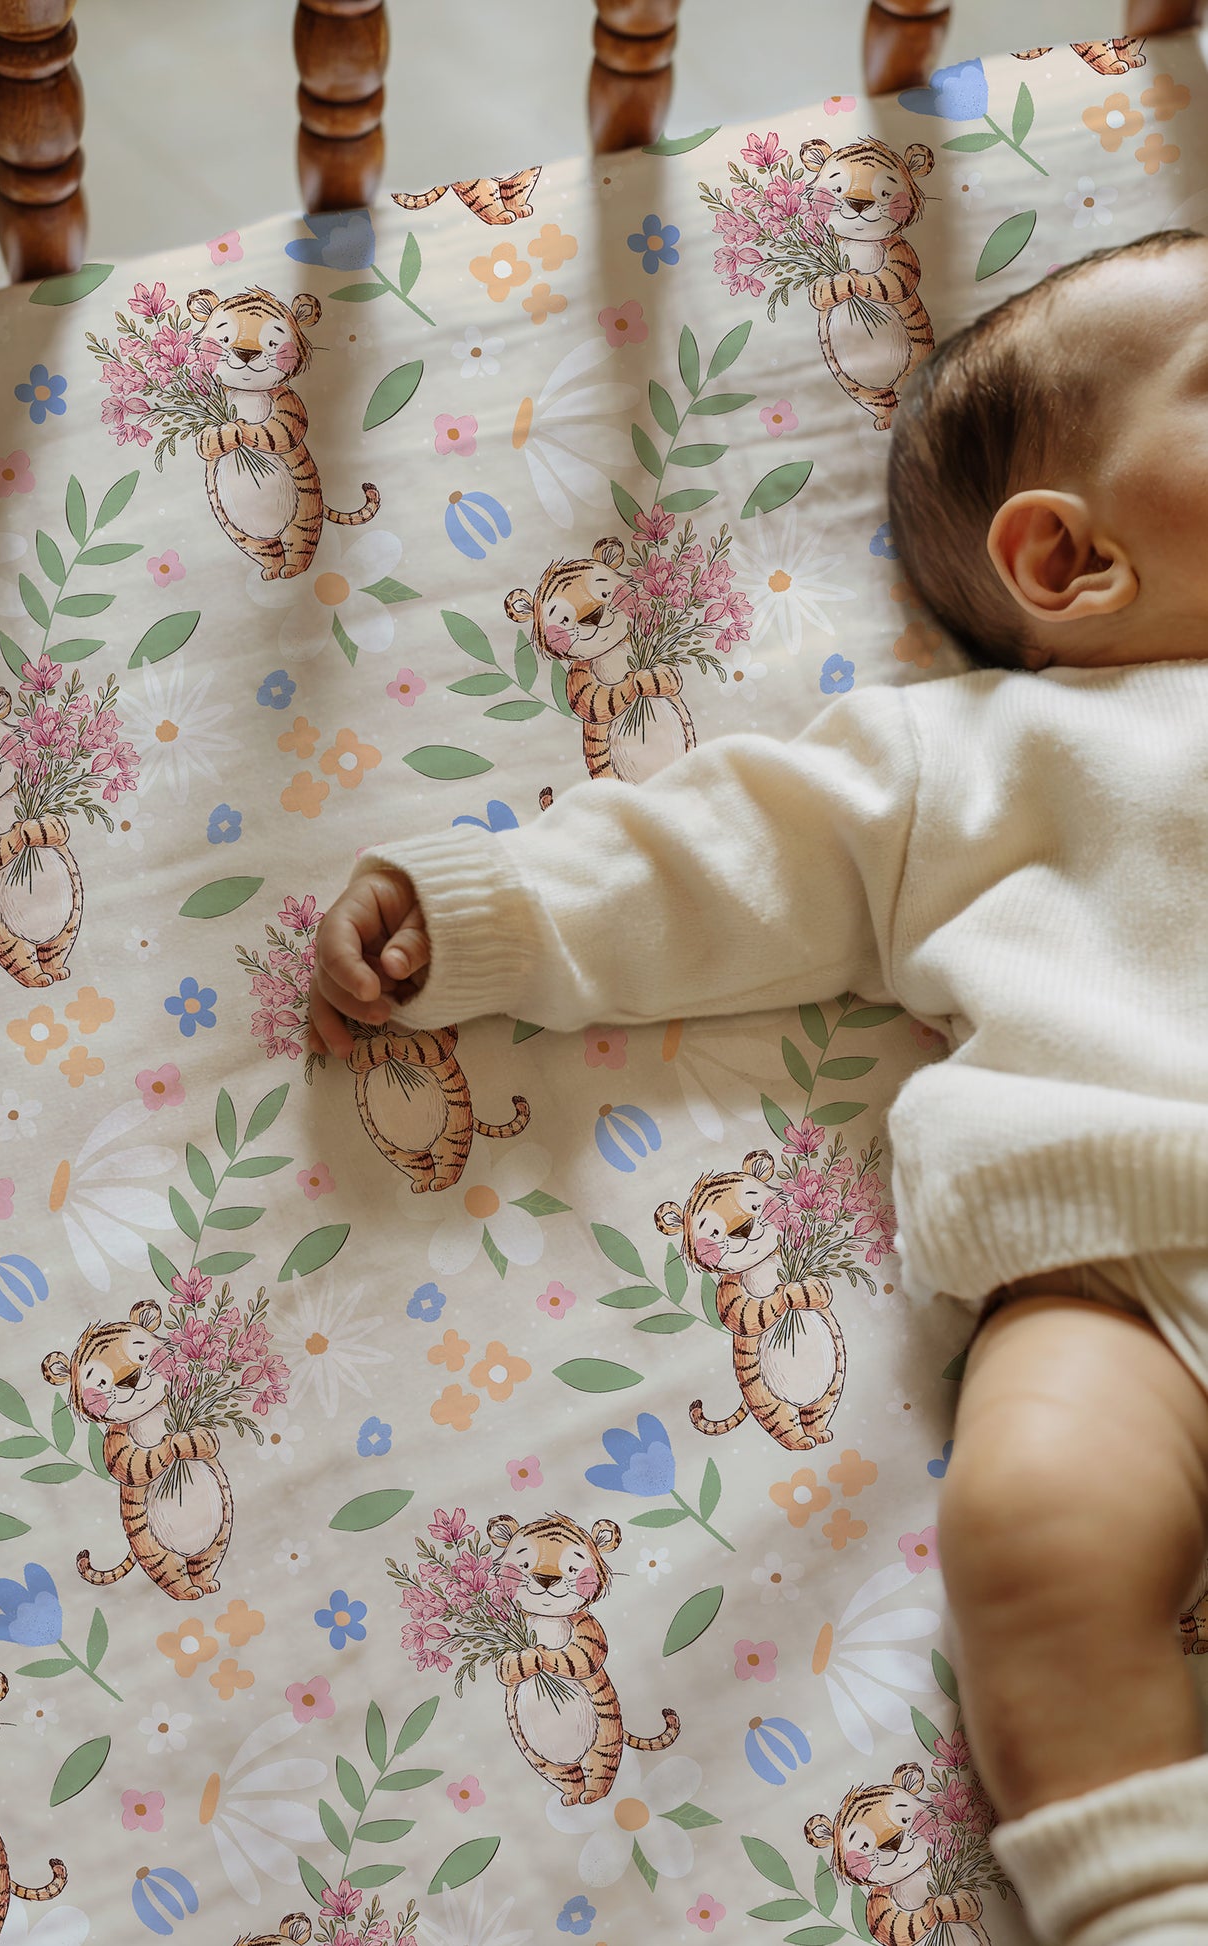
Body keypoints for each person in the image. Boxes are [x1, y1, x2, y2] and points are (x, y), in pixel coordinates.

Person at [311, 228, 1208, 1946]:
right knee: (1032, 1524)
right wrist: (485, 913)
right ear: (1068, 559)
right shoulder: (974, 764)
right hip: (1117, 1250)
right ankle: (1144, 1904)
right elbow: (728, 856)